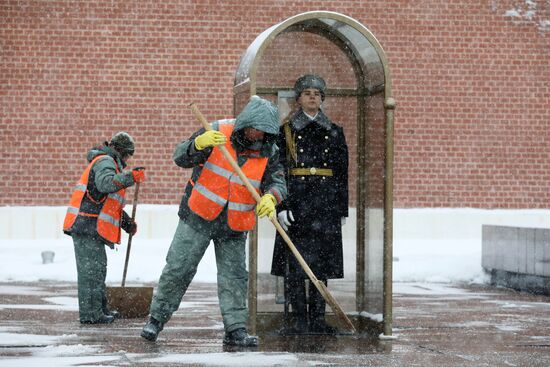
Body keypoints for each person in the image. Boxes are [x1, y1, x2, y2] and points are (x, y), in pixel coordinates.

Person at [140, 96, 287, 347]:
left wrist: (272, 198)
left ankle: (235, 329)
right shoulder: (217, 131)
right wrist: (198, 144)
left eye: (264, 131)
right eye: (255, 129)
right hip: (198, 214)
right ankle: (156, 319)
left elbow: (278, 182)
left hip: (235, 223)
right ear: (246, 122)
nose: (258, 135)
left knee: (234, 277)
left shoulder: (269, 150)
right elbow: (179, 157)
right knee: (178, 267)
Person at [271, 75, 349, 335]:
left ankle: (317, 318)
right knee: (295, 265)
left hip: (324, 203)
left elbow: (341, 172)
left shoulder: (335, 131)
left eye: (317, 93)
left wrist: (341, 208)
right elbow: (278, 169)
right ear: (299, 98)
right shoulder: (286, 131)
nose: (313, 97)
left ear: (322, 98)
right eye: (307, 93)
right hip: (297, 203)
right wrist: (281, 205)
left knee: (321, 266)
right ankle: (298, 319)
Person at [63, 131, 146, 324]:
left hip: (92, 227)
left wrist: (127, 224)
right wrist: (131, 177)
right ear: (119, 150)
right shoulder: (105, 162)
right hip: (86, 225)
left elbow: (109, 203)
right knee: (90, 272)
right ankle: (91, 315)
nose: (127, 159)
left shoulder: (110, 163)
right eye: (126, 155)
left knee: (98, 270)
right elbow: (104, 185)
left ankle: (99, 310)